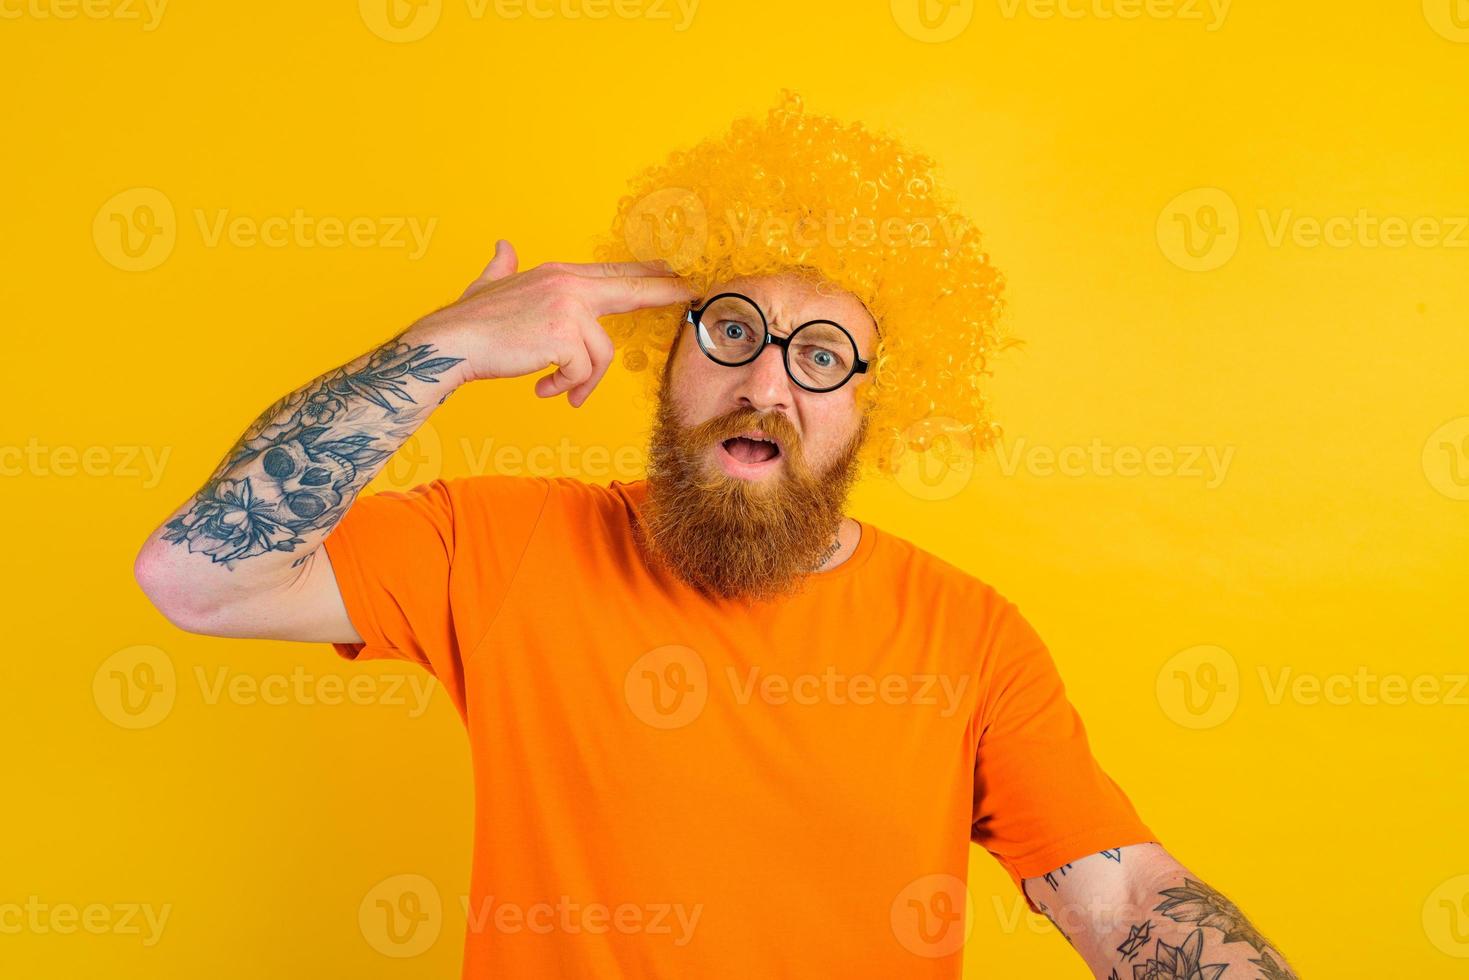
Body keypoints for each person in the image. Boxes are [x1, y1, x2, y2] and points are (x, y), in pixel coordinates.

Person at [134, 94, 1296, 978]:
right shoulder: (501, 543)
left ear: (869, 404)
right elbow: (198, 576)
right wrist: (445, 344)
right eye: (730, 328)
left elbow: (1121, 898)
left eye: (820, 355)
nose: (766, 384)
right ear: (664, 354)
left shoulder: (968, 638)